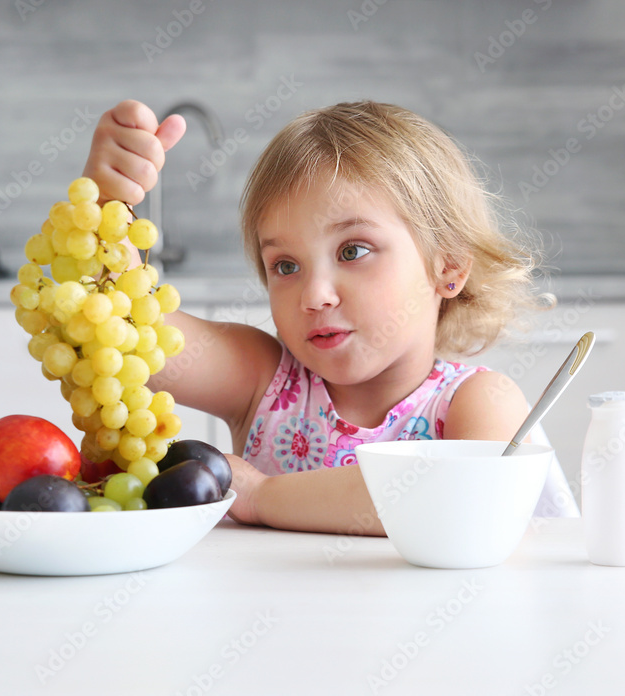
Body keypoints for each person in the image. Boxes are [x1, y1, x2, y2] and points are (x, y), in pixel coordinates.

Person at [82, 99, 576, 535]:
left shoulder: (478, 402)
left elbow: (456, 496)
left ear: (447, 267)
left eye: (353, 250)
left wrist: (261, 498)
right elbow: (127, 336)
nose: (314, 295)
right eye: (286, 266)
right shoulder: (262, 380)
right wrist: (106, 205)